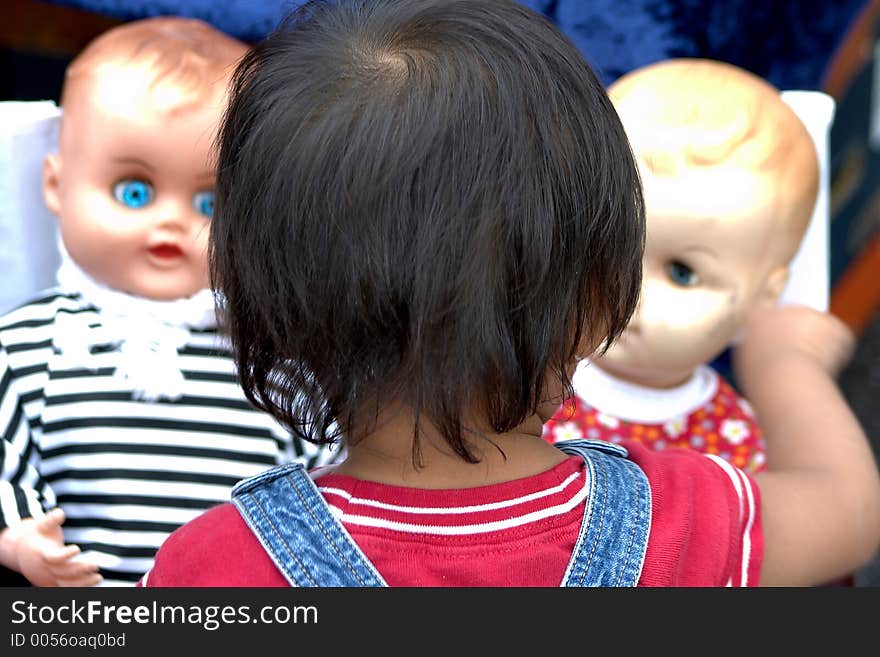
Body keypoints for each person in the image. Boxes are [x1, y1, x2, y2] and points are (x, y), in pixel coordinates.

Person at [143, 0, 880, 587]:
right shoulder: (685, 521)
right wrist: (788, 368)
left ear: (261, 298)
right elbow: (850, 509)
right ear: (599, 302)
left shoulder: (206, 568)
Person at [0, 16, 338, 588]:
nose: (170, 222)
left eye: (210, 204)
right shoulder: (28, 346)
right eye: (133, 191)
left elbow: (327, 477)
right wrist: (19, 536)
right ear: (55, 184)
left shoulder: (270, 356)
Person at [543, 59, 821, 474]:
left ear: (765, 293)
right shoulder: (524, 368)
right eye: (612, 245)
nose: (628, 291)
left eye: (681, 273)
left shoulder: (730, 438)